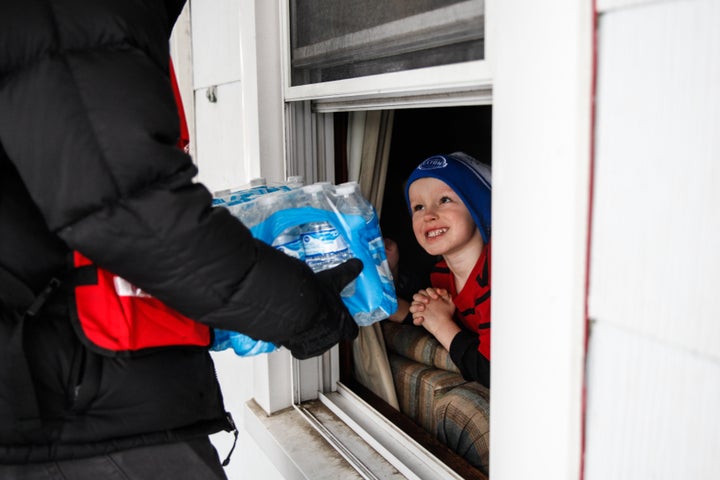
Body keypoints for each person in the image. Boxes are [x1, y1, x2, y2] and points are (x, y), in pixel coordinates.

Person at [0, 1, 361, 478]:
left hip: (68, 407)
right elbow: (136, 219)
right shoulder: (68, 16)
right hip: (84, 426)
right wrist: (303, 309)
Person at [388, 152, 491, 387]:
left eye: (445, 200)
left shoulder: (498, 272)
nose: (429, 215)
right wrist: (390, 273)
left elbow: (495, 371)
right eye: (418, 207)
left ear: (476, 206)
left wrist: (439, 323)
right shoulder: (441, 274)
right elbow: (429, 318)